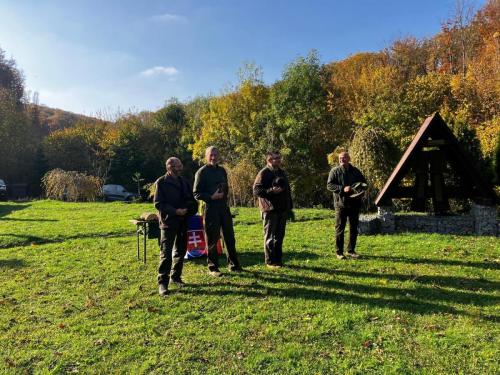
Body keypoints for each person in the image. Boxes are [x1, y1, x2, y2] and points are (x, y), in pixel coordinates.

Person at [193, 146, 243, 276]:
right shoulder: (201, 172)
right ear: (206, 156)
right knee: (212, 239)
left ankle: (234, 265)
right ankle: (213, 268)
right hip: (210, 208)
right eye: (211, 155)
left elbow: (225, 187)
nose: (213, 157)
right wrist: (211, 197)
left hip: (223, 207)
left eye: (215, 154)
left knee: (229, 237)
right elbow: (196, 193)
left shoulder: (222, 170)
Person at [154, 157, 198, 296]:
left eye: (180, 165)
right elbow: (158, 204)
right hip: (168, 223)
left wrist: (188, 210)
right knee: (166, 253)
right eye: (177, 166)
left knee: (180, 251)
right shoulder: (161, 182)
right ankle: (163, 283)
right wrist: (175, 211)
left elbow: (192, 201)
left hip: (183, 222)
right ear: (169, 167)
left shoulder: (184, 182)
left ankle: (176, 277)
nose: (180, 168)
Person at [253, 151, 293, 268]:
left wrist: (289, 206)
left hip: (282, 209)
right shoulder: (263, 173)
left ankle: (278, 260)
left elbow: (287, 190)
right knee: (270, 237)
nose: (279, 160)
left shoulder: (281, 172)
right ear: (269, 160)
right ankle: (270, 261)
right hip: (269, 210)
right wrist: (271, 191)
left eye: (279, 158)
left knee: (279, 236)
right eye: (276, 158)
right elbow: (256, 190)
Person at [326, 151, 367, 259]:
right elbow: (329, 185)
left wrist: (362, 188)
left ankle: (351, 250)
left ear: (348, 158)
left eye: (344, 158)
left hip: (354, 204)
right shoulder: (334, 171)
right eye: (340, 158)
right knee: (340, 228)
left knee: (354, 228)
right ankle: (339, 252)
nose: (342, 160)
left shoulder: (355, 171)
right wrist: (342, 188)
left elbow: (363, 182)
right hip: (341, 204)